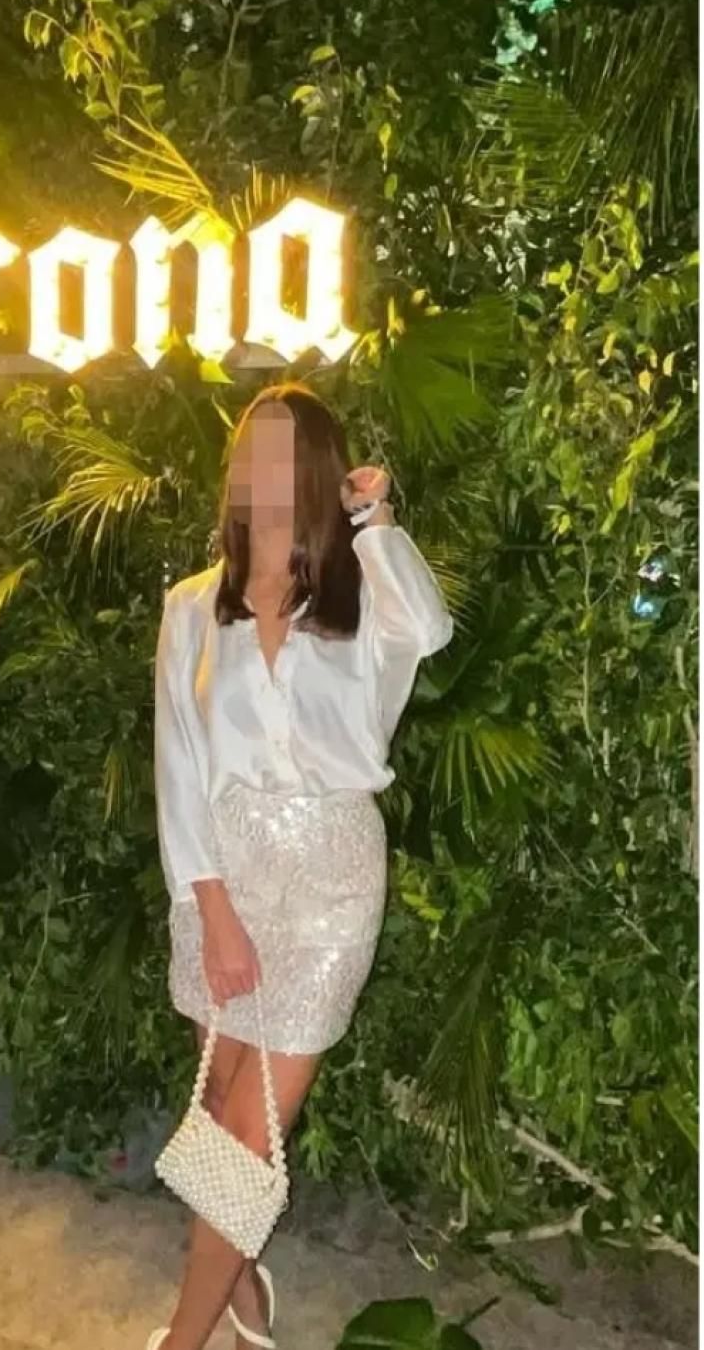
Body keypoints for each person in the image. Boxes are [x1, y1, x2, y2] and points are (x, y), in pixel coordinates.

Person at [148, 381, 454, 1350]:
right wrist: (212, 908)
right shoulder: (191, 608)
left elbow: (431, 628)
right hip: (225, 871)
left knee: (250, 1133)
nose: (261, 467)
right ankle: (238, 1278)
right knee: (213, 1105)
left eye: (283, 450)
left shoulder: (360, 598)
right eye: (250, 447)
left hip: (331, 877)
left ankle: (182, 1337)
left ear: (317, 469)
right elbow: (176, 765)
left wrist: (373, 522)